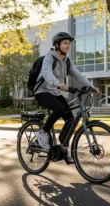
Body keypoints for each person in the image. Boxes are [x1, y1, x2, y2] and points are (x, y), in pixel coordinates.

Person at [34, 32, 100, 164]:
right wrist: (57, 83)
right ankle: (42, 132)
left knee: (70, 119)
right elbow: (46, 73)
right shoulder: (49, 58)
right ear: (57, 45)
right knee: (59, 110)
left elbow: (78, 75)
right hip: (42, 92)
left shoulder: (67, 61)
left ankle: (63, 149)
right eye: (65, 43)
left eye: (69, 43)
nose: (68, 45)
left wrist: (91, 87)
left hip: (55, 92)